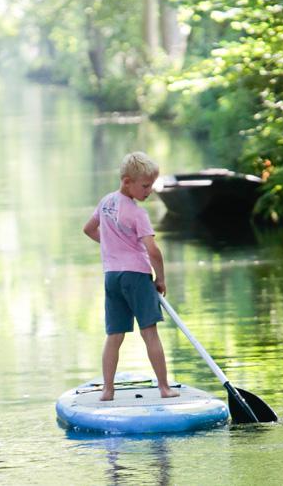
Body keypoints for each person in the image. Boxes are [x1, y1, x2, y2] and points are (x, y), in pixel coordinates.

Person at [83, 152, 180, 401]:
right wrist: (161, 279)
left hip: (112, 276)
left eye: (151, 185)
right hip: (136, 276)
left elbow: (88, 229)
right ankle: (163, 388)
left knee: (114, 335)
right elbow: (154, 251)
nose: (149, 191)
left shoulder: (105, 202)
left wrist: (112, 247)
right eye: (145, 186)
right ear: (127, 182)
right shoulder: (138, 214)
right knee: (150, 333)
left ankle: (108, 390)